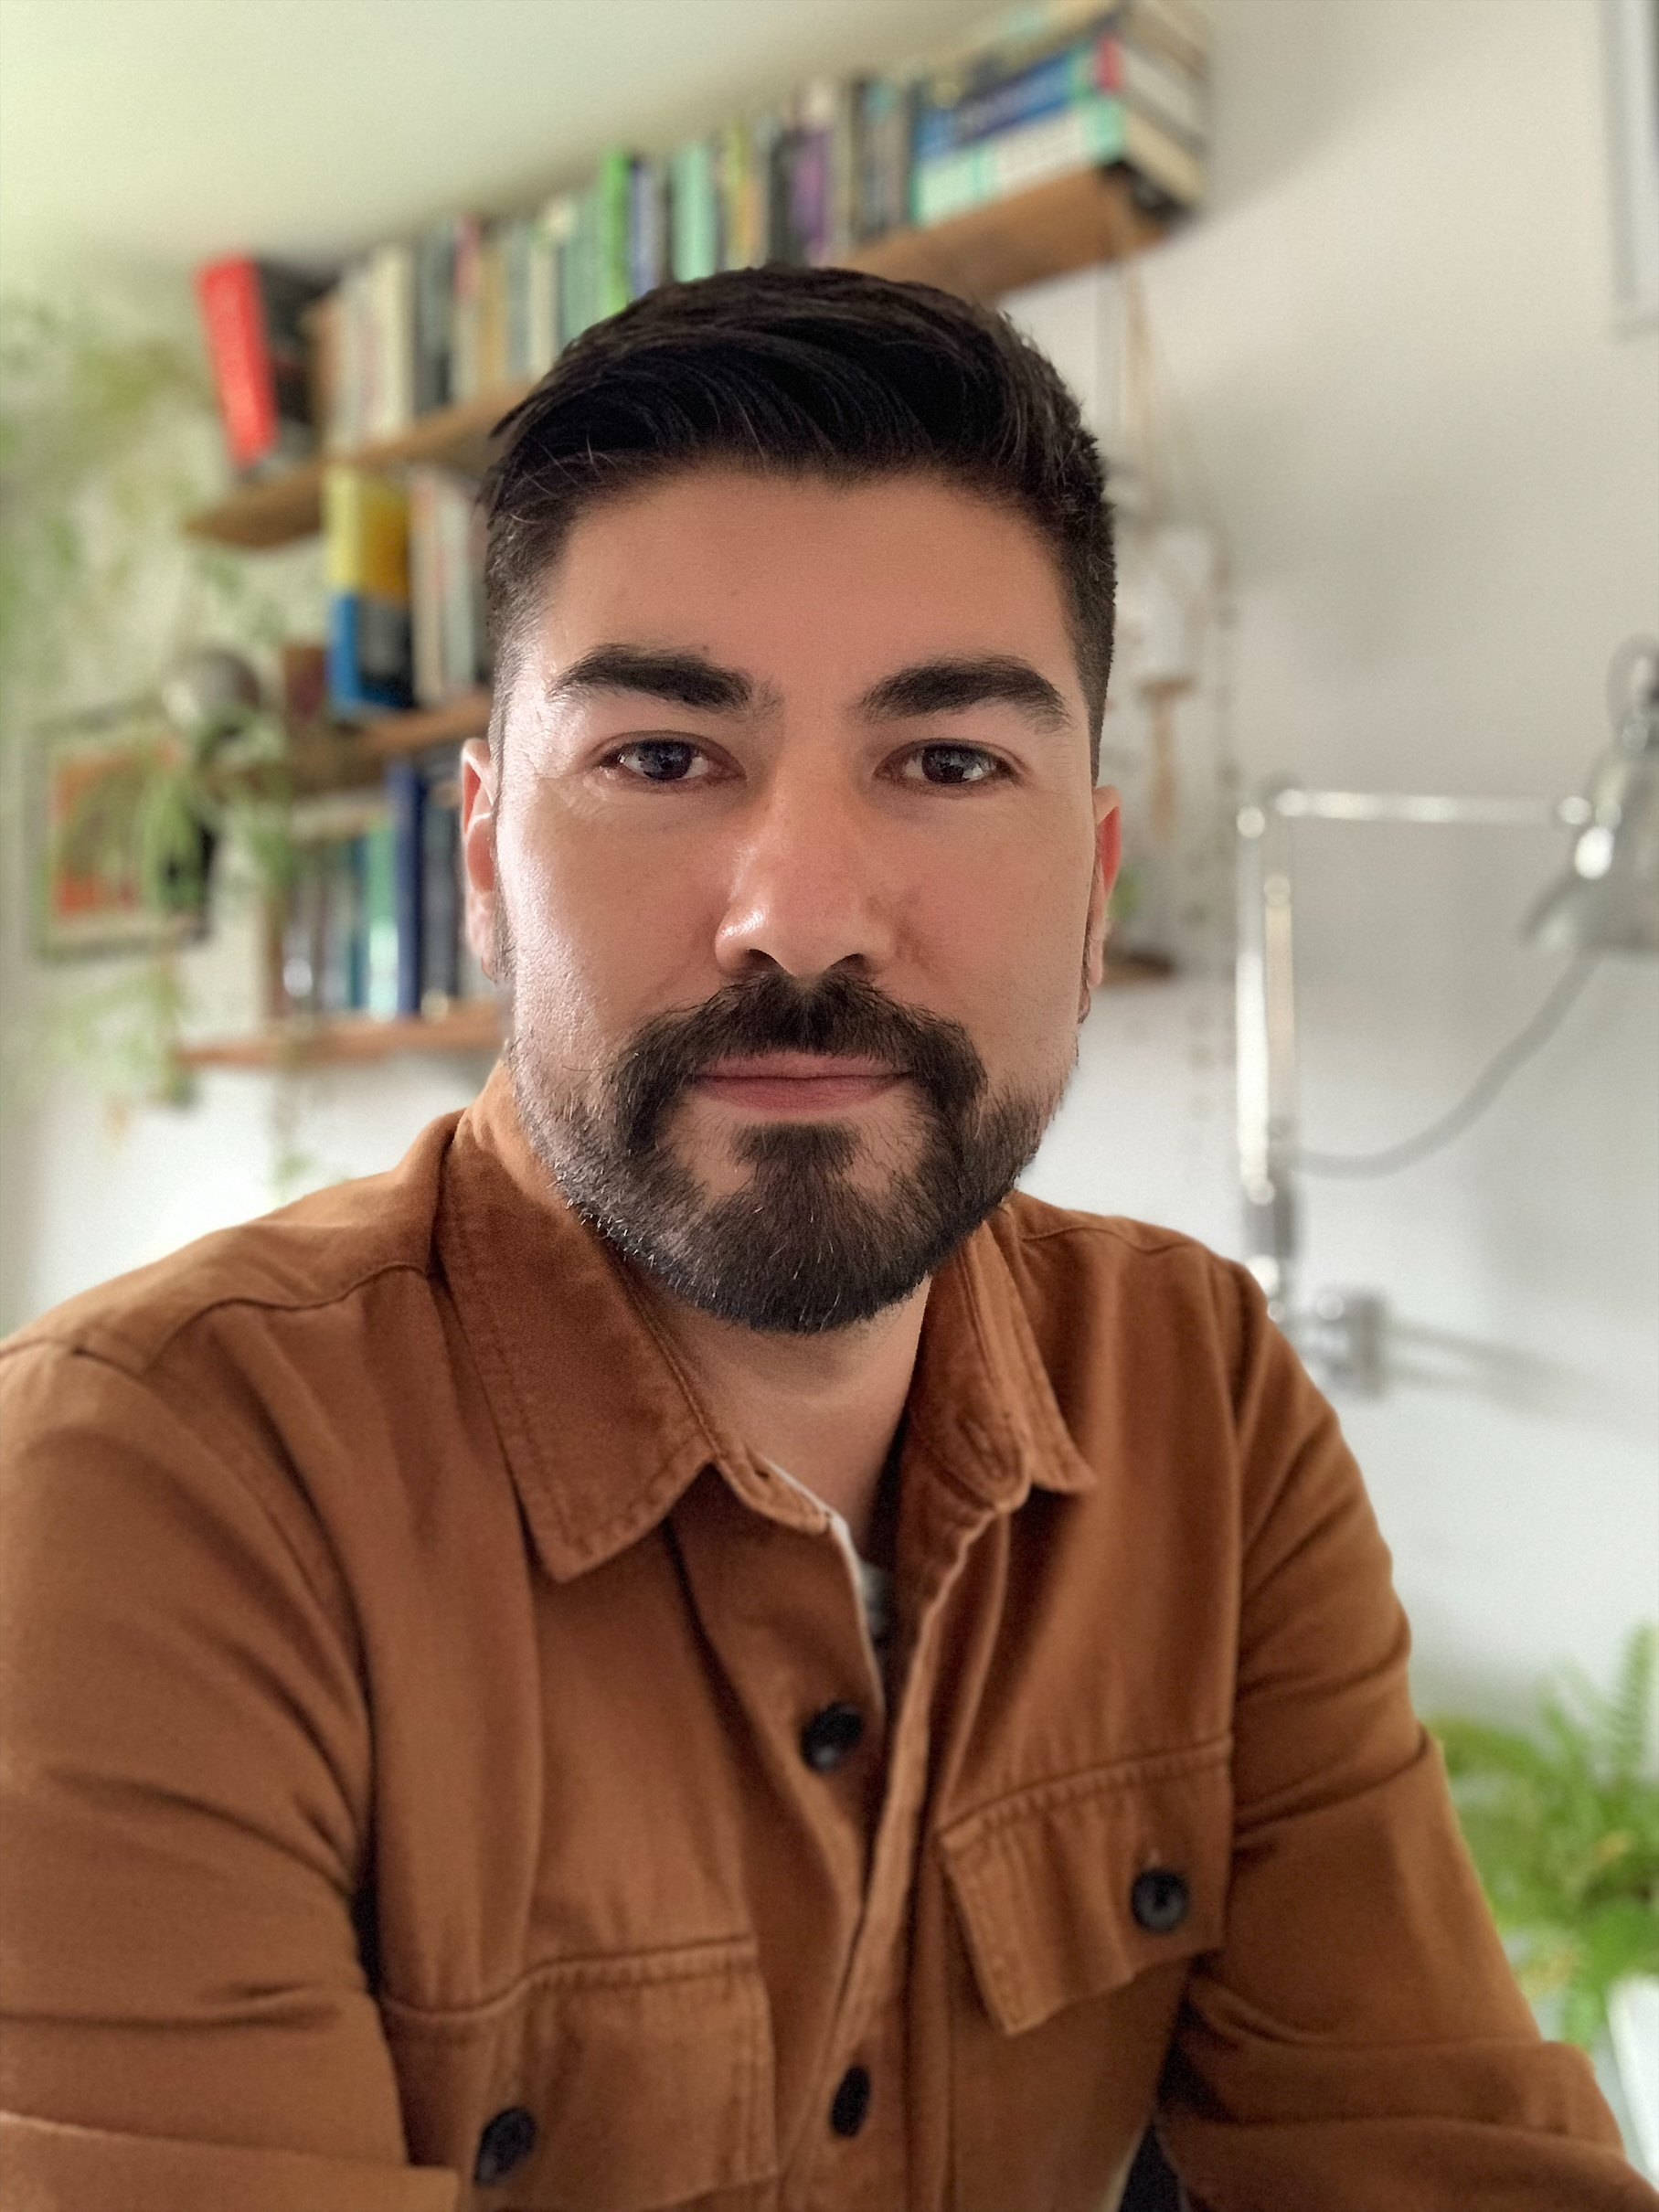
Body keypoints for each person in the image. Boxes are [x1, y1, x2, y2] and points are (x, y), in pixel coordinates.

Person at [0, 267, 1649, 2212]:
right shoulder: (146, 1480)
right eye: (660, 758)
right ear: (478, 865)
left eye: (946, 762)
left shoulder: (1197, 1392)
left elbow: (1427, 2154)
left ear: (1093, 879)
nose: (797, 916)